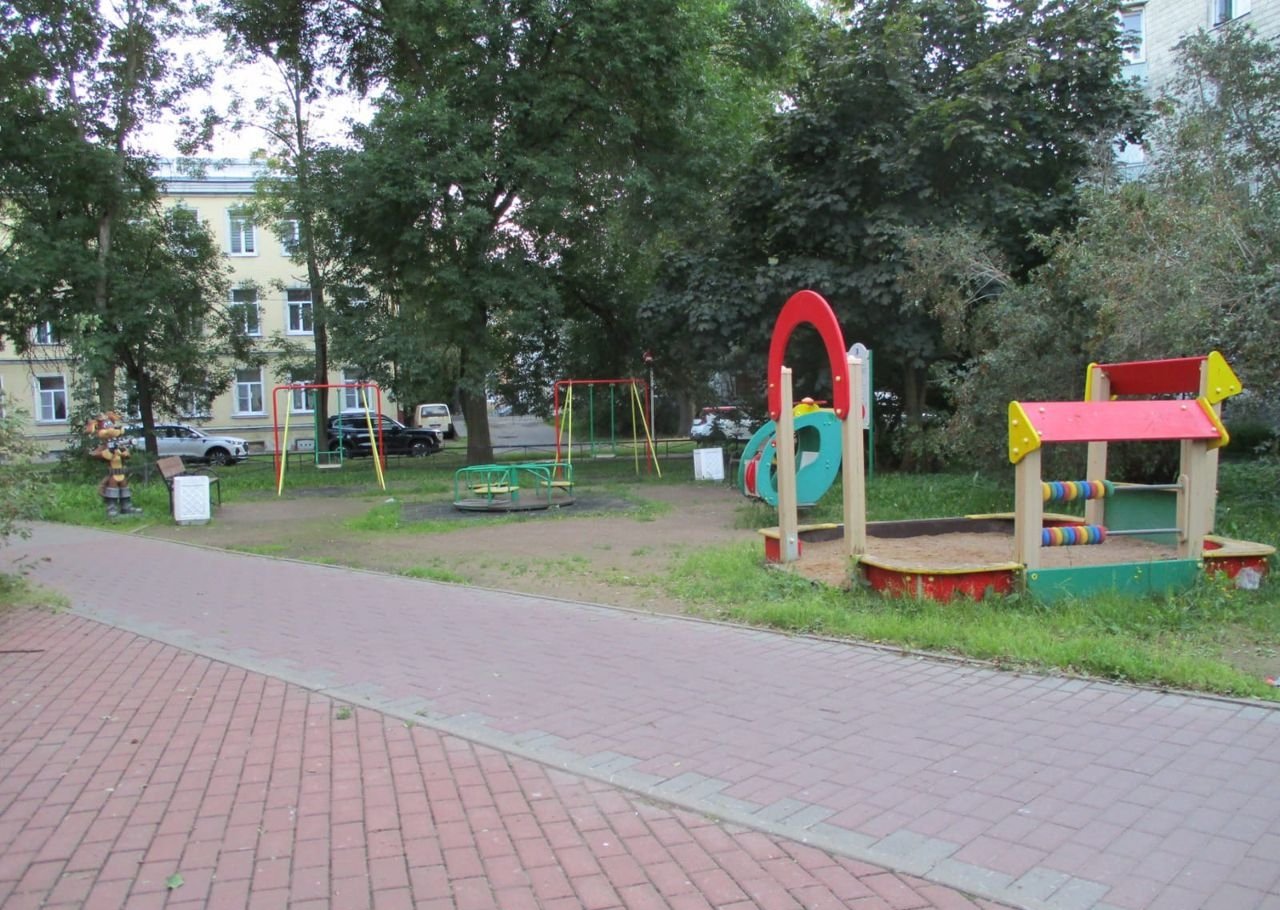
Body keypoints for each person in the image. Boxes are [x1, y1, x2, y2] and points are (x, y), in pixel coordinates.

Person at [85, 411, 141, 517]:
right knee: (112, 489)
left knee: (125, 489)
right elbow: (94, 454)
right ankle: (112, 507)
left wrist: (123, 453)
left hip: (121, 472)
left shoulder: (118, 444)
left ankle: (126, 506)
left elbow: (128, 455)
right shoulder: (105, 445)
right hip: (113, 474)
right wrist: (108, 453)